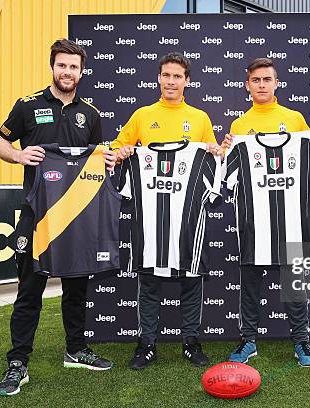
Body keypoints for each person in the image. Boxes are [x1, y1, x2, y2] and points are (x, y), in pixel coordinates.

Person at [0, 39, 116, 396]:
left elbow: (97, 159)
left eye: (74, 67)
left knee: (76, 288)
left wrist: (107, 159)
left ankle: (75, 350)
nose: (67, 72)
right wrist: (17, 156)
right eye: (62, 65)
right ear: (52, 67)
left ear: (81, 71)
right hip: (36, 215)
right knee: (29, 289)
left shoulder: (90, 114)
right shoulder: (27, 106)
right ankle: (18, 362)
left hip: (77, 216)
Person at [113, 52, 222, 370]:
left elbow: (212, 159)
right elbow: (116, 149)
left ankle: (191, 341)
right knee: (148, 280)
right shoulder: (142, 115)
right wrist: (122, 152)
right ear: (158, 78)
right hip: (149, 223)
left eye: (177, 76)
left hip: (188, 222)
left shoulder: (200, 118)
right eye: (166, 75)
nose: (171, 81)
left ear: (187, 80)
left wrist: (216, 150)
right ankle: (146, 343)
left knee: (191, 277)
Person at [222, 58, 310, 367]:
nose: (262, 85)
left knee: (295, 284)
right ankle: (248, 342)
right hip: (255, 223)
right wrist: (227, 147)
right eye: (256, 80)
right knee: (250, 286)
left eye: (267, 79)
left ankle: (302, 343)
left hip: (291, 223)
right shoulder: (239, 127)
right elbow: (229, 170)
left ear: (276, 82)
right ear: (247, 85)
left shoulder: (295, 119)